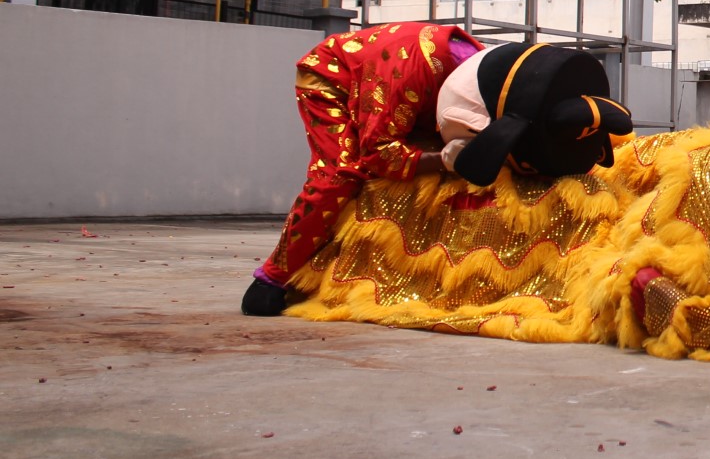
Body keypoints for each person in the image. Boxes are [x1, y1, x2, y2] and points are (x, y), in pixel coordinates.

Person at [243, 27, 630, 316]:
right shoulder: (407, 77)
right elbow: (378, 153)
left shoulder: (505, 80)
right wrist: (444, 158)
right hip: (337, 78)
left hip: (426, 100)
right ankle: (274, 276)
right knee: (340, 173)